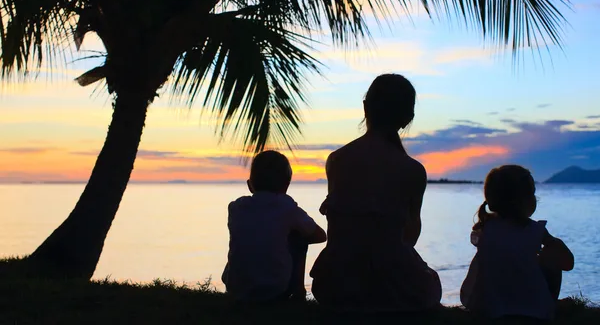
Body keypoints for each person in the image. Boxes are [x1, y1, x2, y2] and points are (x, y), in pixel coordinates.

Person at [310, 73, 442, 311]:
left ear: (365, 107)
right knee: (431, 280)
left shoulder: (336, 160)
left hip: (333, 284)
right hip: (390, 288)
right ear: (407, 118)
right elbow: (410, 237)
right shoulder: (412, 170)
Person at [460, 165, 575, 320]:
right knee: (550, 263)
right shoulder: (535, 230)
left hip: (487, 307)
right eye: (533, 194)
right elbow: (568, 263)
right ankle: (550, 305)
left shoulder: (485, 229)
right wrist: (552, 243)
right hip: (534, 309)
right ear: (523, 201)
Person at [222, 150, 327, 302]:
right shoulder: (287, 207)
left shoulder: (236, 207)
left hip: (235, 287)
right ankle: (298, 293)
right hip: (275, 289)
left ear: (250, 185)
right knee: (299, 238)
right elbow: (320, 236)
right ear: (286, 186)